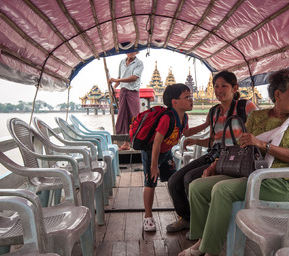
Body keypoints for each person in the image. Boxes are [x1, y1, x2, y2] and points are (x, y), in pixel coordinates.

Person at [178, 68, 289, 256]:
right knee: (197, 186)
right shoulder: (258, 116)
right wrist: (215, 164)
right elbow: (241, 148)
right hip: (251, 175)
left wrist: (262, 144)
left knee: (221, 189)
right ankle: (204, 241)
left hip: (279, 183)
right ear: (278, 94)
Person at [166, 71, 257, 233]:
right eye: (216, 86)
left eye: (224, 86)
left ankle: (201, 226)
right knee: (174, 180)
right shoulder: (214, 111)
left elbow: (259, 134)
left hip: (236, 159)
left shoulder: (245, 107)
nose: (219, 90)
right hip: (214, 155)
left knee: (190, 178)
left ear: (235, 88)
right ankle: (188, 218)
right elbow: (214, 140)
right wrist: (195, 141)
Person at [142, 83, 193, 232]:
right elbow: (157, 143)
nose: (191, 100)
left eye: (191, 96)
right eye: (187, 97)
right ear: (175, 102)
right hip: (152, 153)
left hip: (167, 153)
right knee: (150, 182)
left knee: (173, 180)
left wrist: (208, 124)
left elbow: (187, 133)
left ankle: (183, 215)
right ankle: (148, 216)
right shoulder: (167, 118)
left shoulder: (184, 117)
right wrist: (154, 165)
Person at [110, 51, 144, 150]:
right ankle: (126, 143)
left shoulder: (139, 63)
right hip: (123, 91)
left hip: (133, 91)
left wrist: (117, 81)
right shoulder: (122, 62)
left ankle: (138, 142)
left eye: (133, 50)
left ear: (137, 52)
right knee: (123, 117)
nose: (131, 53)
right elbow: (120, 76)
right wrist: (115, 86)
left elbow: (134, 77)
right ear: (126, 52)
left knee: (134, 116)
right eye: (129, 51)